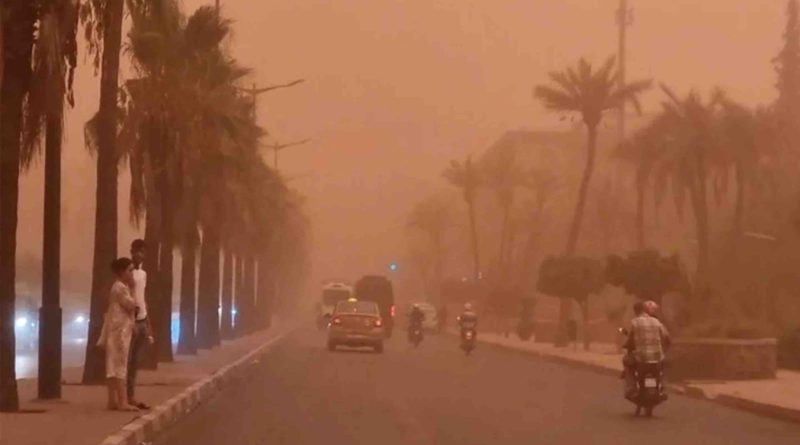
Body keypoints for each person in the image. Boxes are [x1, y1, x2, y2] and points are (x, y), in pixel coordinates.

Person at [98, 258, 139, 411]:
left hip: (115, 330)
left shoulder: (117, 287)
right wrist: (134, 289)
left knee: (112, 366)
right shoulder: (121, 288)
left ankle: (112, 401)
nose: (132, 274)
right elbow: (132, 305)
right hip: (120, 332)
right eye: (130, 270)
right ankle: (122, 401)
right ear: (122, 272)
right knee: (120, 365)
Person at [622, 300, 671, 399]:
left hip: (641, 359)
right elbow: (667, 337)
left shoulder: (635, 322)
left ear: (635, 311)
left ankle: (631, 389)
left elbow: (630, 340)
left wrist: (626, 345)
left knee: (626, 362)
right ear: (645, 310)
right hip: (657, 357)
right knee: (663, 368)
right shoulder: (656, 321)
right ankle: (663, 388)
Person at [127, 239, 153, 410]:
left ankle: (131, 395)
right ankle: (126, 397)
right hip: (131, 321)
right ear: (131, 251)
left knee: (135, 362)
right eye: (137, 251)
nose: (140, 255)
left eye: (143, 252)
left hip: (143, 320)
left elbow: (142, 299)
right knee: (127, 361)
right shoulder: (127, 273)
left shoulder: (143, 274)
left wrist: (149, 326)